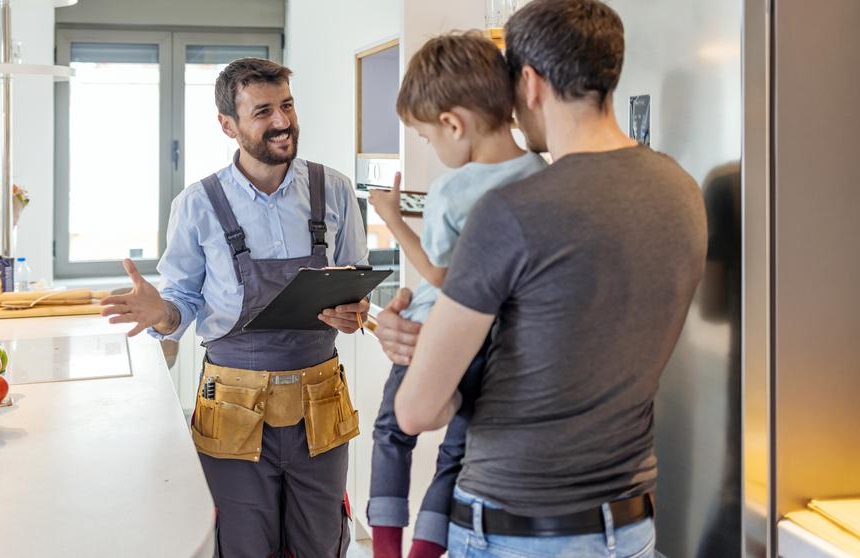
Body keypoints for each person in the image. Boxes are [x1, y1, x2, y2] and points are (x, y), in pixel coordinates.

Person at [376, 1, 708, 556]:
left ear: (529, 82)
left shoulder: (510, 213)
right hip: (630, 527)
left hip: (516, 529)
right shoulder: (681, 191)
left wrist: (429, 357)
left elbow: (416, 411)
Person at [100, 58, 369, 557]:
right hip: (232, 408)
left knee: (321, 543)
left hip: (320, 403)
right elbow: (181, 302)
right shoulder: (197, 204)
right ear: (228, 124)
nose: (282, 121)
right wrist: (160, 311)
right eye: (263, 111)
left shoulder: (333, 189)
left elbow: (354, 279)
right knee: (243, 545)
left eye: (286, 105)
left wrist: (353, 310)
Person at [365, 32, 546, 558]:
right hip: (498, 345)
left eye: (426, 137)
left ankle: (385, 551)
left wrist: (395, 222)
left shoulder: (452, 187)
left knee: (392, 431)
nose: (432, 148)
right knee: (457, 451)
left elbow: (443, 277)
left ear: (452, 124)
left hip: (433, 333)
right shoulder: (541, 173)